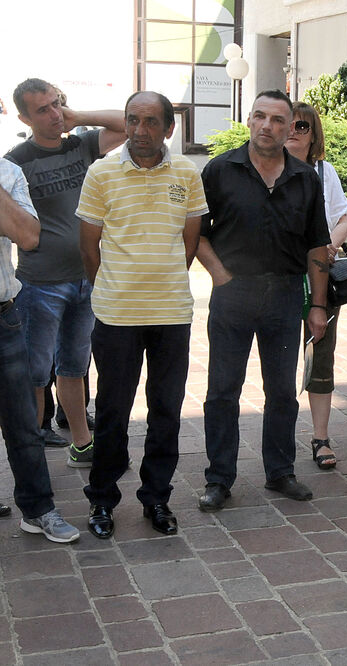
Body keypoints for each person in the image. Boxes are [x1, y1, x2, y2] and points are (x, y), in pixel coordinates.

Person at [76, 92, 207, 538]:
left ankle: (157, 499)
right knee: (113, 410)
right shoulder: (101, 173)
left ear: (169, 127)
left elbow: (189, 243)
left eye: (151, 121)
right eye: (133, 120)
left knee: (166, 410)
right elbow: (88, 246)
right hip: (116, 314)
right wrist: (115, 287)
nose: (140, 130)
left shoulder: (188, 173)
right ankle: (102, 501)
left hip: (171, 312)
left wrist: (161, 280)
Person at [197, 90, 330, 511]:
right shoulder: (220, 171)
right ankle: (219, 479)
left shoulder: (305, 178)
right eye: (260, 116)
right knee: (222, 391)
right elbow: (196, 233)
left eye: (277, 119)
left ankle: (280, 472)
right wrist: (220, 276)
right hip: (232, 295)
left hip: (285, 295)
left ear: (292, 127)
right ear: (248, 120)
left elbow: (317, 247)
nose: (268, 126)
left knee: (282, 392)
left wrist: (318, 306)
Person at [4, 78, 126, 464]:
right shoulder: (16, 160)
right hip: (40, 284)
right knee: (36, 373)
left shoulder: (81, 145)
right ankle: (32, 452)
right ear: (24, 117)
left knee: (74, 367)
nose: (54, 114)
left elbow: (127, 123)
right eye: (43, 109)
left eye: (57, 104)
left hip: (87, 278)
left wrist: (78, 116)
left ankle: (81, 443)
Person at [0, 156, 79, 543]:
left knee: (22, 423)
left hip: (2, 316)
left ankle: (38, 509)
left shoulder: (8, 173)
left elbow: (29, 236)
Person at [285, 101, 347, 471]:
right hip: (281, 277)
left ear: (314, 136)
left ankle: (320, 436)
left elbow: (344, 215)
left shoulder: (325, 172)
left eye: (302, 126)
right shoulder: (270, 169)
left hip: (319, 276)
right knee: (278, 359)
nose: (293, 130)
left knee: (320, 352)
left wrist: (332, 242)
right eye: (289, 124)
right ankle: (277, 437)